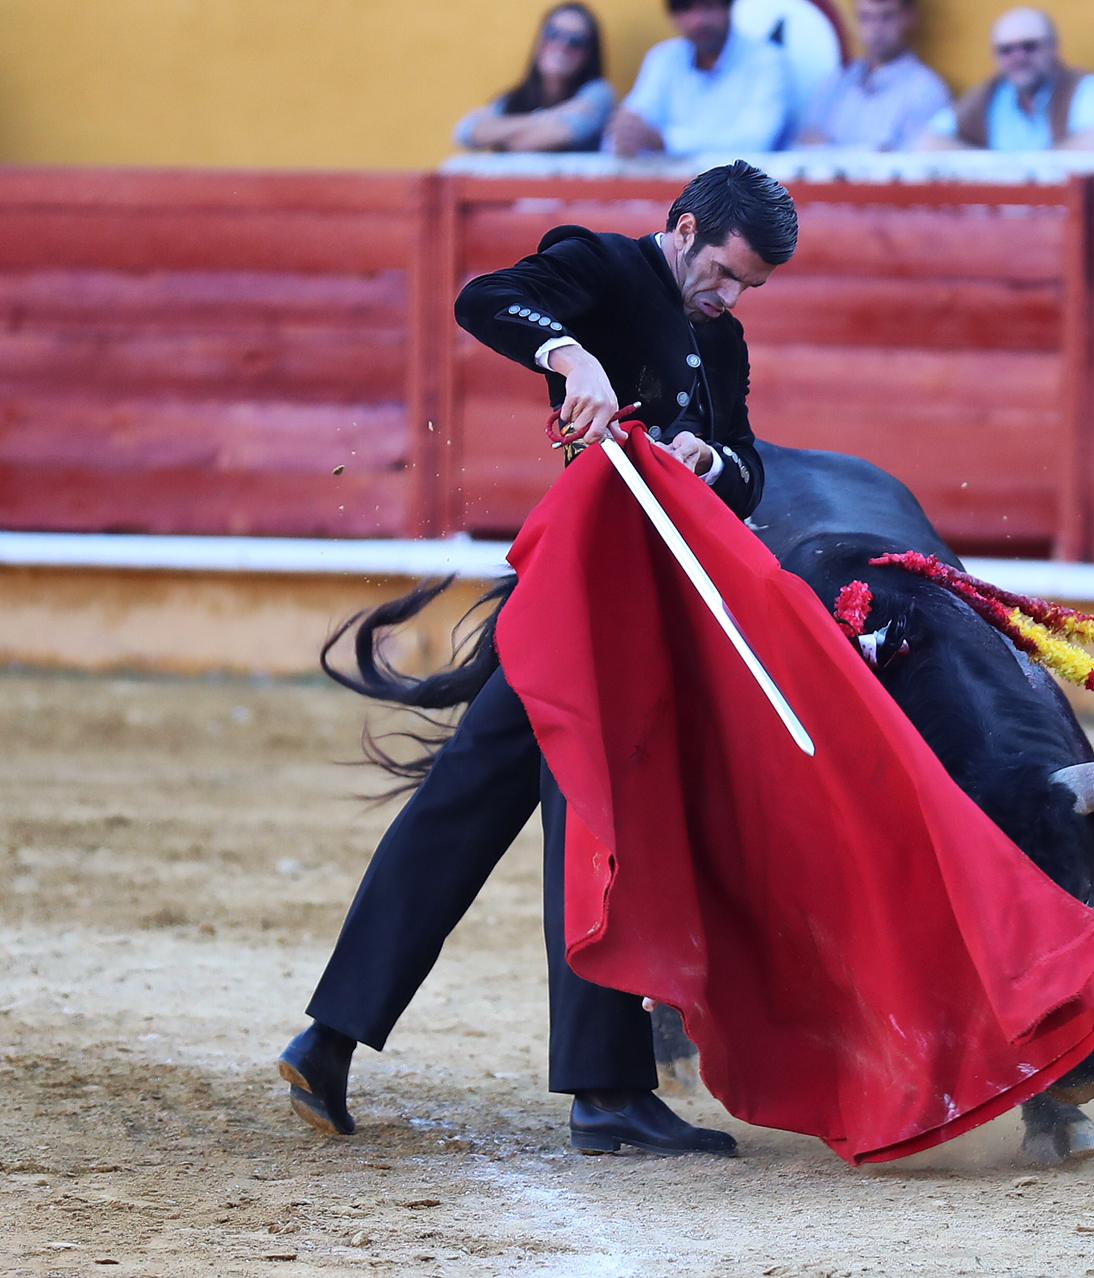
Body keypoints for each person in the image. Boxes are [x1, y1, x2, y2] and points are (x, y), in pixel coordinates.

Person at [277, 162, 799, 1158]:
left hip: (617, 617)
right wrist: (570, 356)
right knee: (588, 826)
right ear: (684, 229)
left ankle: (329, 1039)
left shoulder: (719, 340)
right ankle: (603, 1094)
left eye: (748, 289)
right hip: (585, 611)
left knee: (460, 808)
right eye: (726, 274)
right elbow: (488, 299)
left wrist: (710, 462)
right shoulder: (601, 267)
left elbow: (746, 460)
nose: (730, 301)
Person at [921, 7, 1094, 152]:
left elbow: (1092, 147)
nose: (1018, 58)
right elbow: (930, 143)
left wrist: (1007, 171)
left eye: (1029, 46)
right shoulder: (988, 94)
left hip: (1069, 206)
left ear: (1054, 48)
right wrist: (995, 169)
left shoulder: (1087, 88)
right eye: (1006, 50)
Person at [608, 0, 790, 158]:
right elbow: (630, 126)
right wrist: (627, 134)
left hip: (742, 193)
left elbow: (756, 141)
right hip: (676, 191)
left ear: (729, 8)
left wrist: (666, 142)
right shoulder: (664, 58)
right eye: (686, 8)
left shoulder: (765, 60)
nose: (698, 21)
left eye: (708, 6)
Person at [453, 3, 614, 153]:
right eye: (553, 34)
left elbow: (529, 143)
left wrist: (501, 131)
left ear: (588, 55)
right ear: (540, 41)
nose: (562, 45)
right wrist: (546, 116)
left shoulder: (599, 94)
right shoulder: (515, 98)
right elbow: (466, 132)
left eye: (576, 41)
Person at [797, 0, 950, 152]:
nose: (875, 29)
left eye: (887, 17)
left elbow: (914, 166)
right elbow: (802, 144)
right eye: (866, 17)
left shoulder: (927, 91)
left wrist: (830, 150)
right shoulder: (837, 82)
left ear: (909, 17)